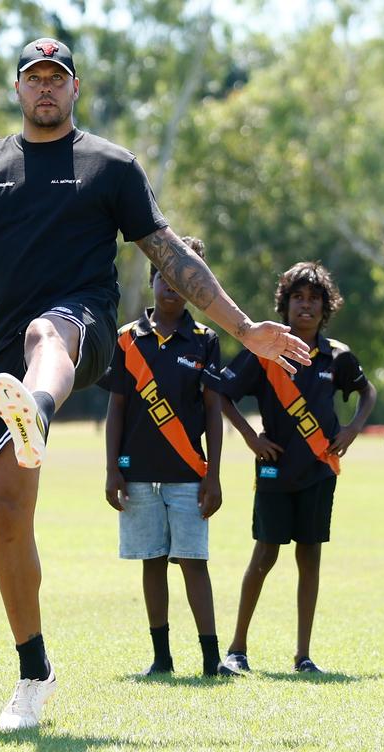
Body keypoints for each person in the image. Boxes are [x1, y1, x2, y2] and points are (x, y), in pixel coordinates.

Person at [0, 37, 311, 729]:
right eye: (34, 78)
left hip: (78, 331)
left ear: (74, 89)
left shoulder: (110, 166)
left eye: (57, 78)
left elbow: (171, 257)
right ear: (18, 89)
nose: (45, 88)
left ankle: (40, 411)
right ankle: (33, 670)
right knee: (6, 518)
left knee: (44, 336)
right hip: (0, 364)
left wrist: (243, 327)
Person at [210, 262, 376, 675]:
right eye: (298, 298)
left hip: (319, 471)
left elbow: (367, 391)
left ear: (326, 308)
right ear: (284, 306)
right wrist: (251, 438)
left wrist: (354, 427)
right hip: (275, 471)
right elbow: (220, 393)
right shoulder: (266, 352)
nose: (306, 306)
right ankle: (237, 649)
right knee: (264, 554)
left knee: (310, 558)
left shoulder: (336, 355)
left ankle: (303, 656)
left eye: (314, 299)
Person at [102, 237, 231, 678]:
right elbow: (116, 408)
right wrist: (111, 471)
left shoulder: (205, 340)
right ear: (154, 280)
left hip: (187, 476)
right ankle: (162, 658)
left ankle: (212, 660)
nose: (172, 287)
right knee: (151, 560)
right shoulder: (127, 340)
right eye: (165, 277)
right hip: (136, 476)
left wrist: (213, 475)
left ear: (197, 289)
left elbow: (214, 412)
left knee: (194, 563)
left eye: (184, 281)